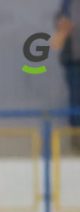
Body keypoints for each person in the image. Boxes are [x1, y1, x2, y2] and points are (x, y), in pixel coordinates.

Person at [56, 0, 80, 148]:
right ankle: (77, 139)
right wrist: (62, 25)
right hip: (74, 63)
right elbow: (60, 22)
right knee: (75, 100)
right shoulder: (68, 3)